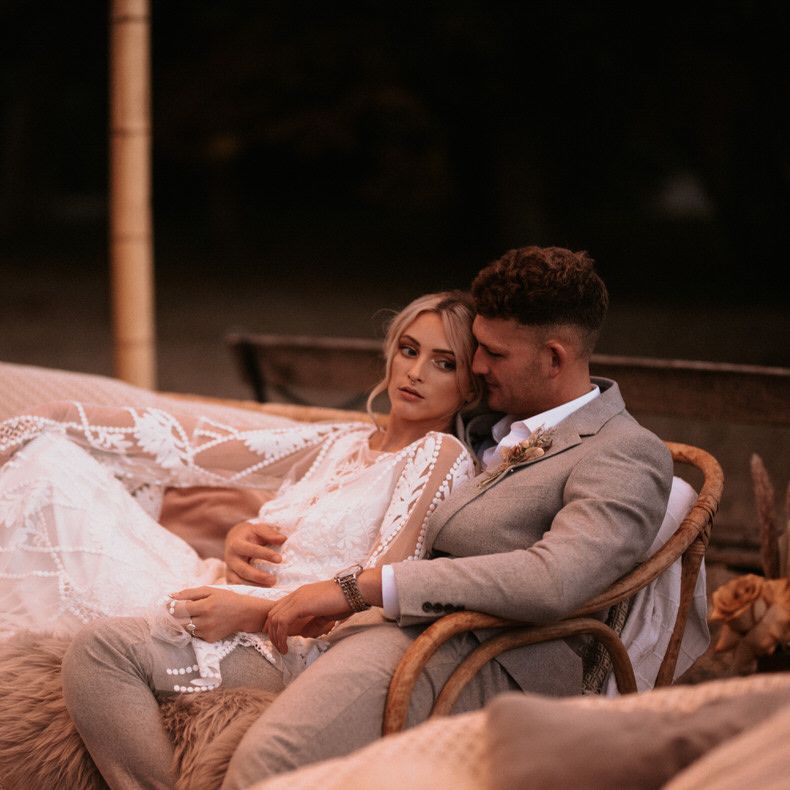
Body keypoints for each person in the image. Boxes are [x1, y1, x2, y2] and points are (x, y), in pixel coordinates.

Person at [61, 246, 674, 789]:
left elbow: (553, 580)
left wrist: (361, 587)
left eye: (487, 354)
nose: (478, 368)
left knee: (265, 764)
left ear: (555, 357)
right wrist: (245, 531)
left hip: (481, 650)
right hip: (376, 628)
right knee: (98, 642)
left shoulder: (622, 452)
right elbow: (352, 496)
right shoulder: (488, 429)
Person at [0, 291, 481, 684]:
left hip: (262, 633)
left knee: (44, 473)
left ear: (470, 387)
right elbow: (191, 445)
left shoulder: (439, 455)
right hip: (208, 584)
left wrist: (249, 611)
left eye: (444, 364)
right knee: (47, 455)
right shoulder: (341, 441)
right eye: (409, 350)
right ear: (391, 353)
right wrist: (60, 417)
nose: (416, 372)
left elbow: (379, 585)